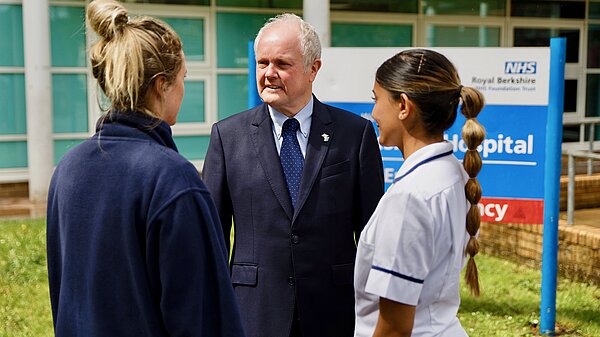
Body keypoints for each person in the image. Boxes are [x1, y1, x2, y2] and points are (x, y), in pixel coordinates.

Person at [46, 1, 245, 336]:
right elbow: (203, 319)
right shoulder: (174, 180)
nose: (184, 87)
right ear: (160, 85)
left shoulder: (67, 169)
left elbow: (62, 296)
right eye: (183, 77)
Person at [202, 13, 384, 337]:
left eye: (282, 64)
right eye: (262, 63)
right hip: (254, 311)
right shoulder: (227, 137)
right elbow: (211, 237)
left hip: (334, 311)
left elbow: (373, 236)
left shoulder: (354, 134)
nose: (269, 74)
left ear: (313, 68)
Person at [354, 49, 486, 337]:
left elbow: (394, 329)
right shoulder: (456, 174)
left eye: (376, 99)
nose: (373, 112)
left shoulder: (409, 198)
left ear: (403, 105)